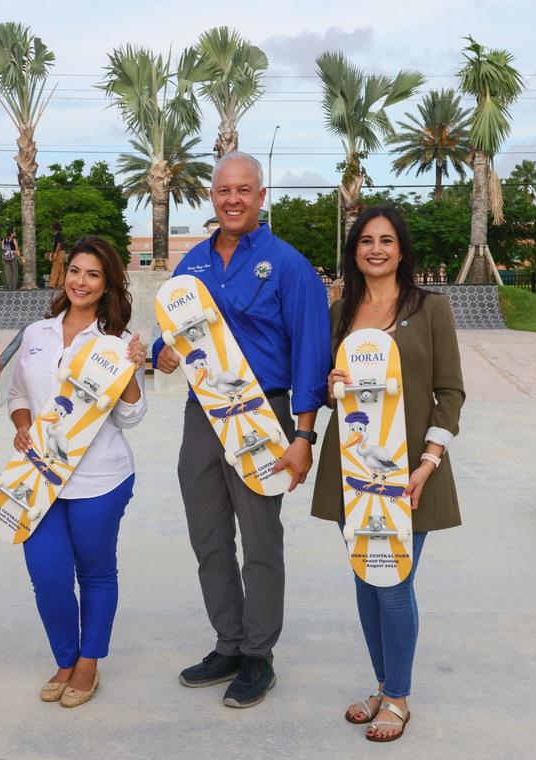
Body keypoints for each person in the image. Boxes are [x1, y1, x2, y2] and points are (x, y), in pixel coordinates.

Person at [151, 151, 330, 708]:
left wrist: (303, 437)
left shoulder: (288, 264)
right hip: (204, 414)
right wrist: (161, 352)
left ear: (261, 195)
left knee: (259, 539)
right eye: (224, 190)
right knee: (207, 535)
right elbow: (171, 330)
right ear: (212, 195)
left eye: (244, 190)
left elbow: (310, 353)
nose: (233, 199)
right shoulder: (194, 263)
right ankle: (228, 642)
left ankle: (258, 655)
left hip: (266, 413)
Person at [309, 206, 464, 742]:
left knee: (394, 582)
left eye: (387, 240)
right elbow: (336, 397)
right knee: (365, 579)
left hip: (409, 472)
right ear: (354, 251)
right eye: (366, 241)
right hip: (352, 470)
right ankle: (383, 683)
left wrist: (428, 463)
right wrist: (333, 385)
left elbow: (451, 391)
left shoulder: (431, 309)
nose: (376, 249)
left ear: (402, 250)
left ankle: (397, 696)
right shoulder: (340, 311)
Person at [5, 236, 148, 708]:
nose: (80, 281)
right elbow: (17, 396)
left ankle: (87, 664)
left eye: (92, 274)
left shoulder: (118, 343)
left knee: (95, 572)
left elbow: (130, 417)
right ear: (64, 275)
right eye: (75, 271)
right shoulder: (36, 334)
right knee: (46, 575)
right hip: (37, 476)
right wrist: (23, 426)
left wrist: (131, 375)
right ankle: (64, 657)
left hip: (100, 479)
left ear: (106, 283)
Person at [46, 221, 66, 289]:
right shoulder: (59, 234)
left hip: (59, 253)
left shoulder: (57, 235)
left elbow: (58, 245)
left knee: (55, 268)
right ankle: (61, 284)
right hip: (62, 252)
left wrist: (55, 254)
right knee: (61, 270)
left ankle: (52, 284)